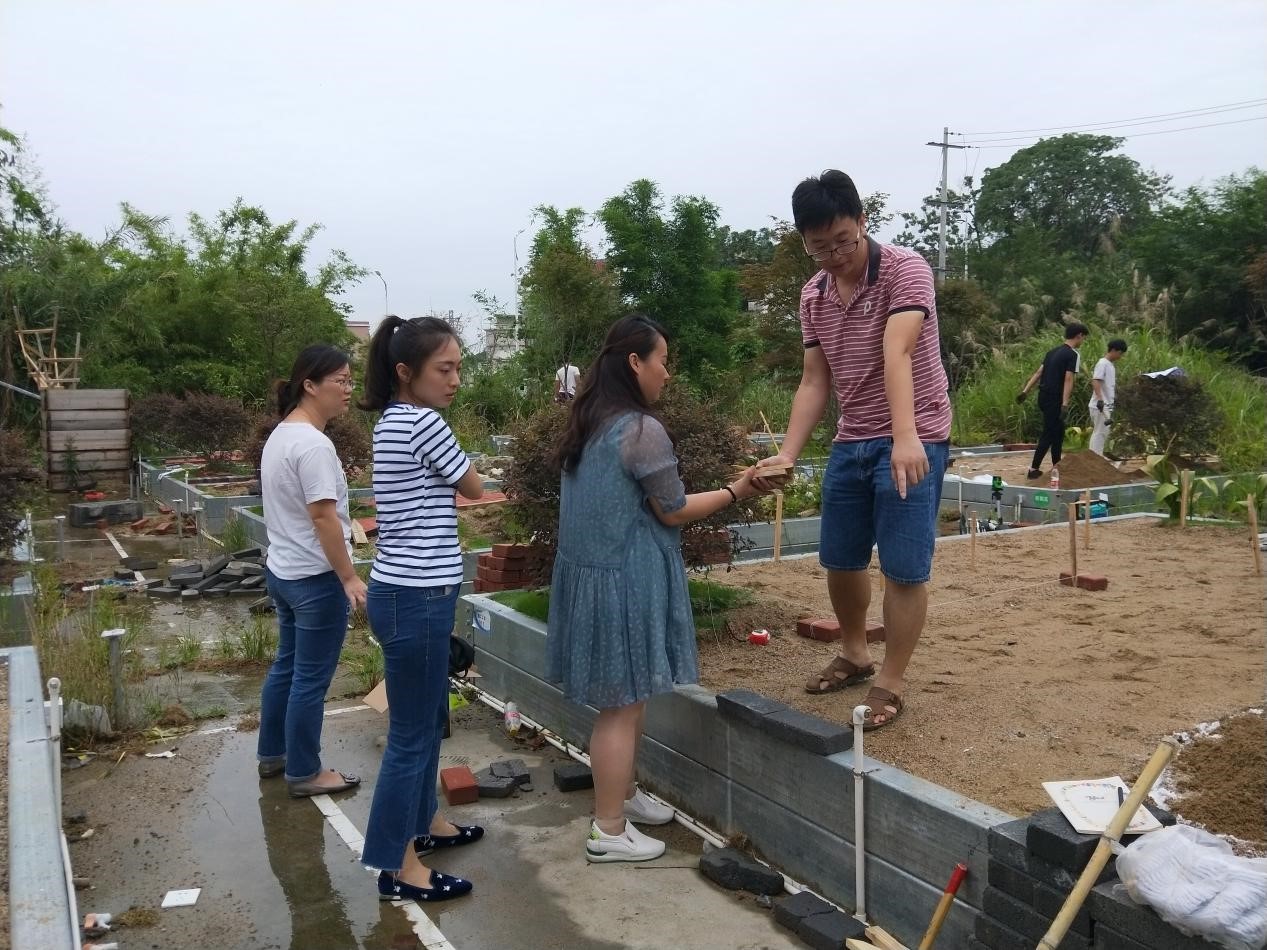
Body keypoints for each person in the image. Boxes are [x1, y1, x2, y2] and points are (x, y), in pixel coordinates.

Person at [546, 315, 766, 862]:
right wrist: (738, 490)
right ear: (634, 362)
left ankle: (623, 795)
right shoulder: (640, 430)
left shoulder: (588, 422)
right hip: (624, 581)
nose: (667, 373)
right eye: (662, 361)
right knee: (621, 707)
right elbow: (672, 510)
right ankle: (608, 830)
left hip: (593, 577)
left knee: (631, 695)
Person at [754, 169, 951, 731]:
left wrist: (907, 438)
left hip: (915, 432)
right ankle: (855, 652)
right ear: (804, 241)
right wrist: (787, 453)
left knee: (904, 568)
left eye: (843, 241)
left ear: (863, 222)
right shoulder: (813, 295)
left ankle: (891, 679)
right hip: (852, 439)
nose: (834, 256)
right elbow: (814, 380)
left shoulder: (905, 270)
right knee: (840, 560)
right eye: (820, 247)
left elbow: (898, 353)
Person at [358, 315, 486, 904]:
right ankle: (398, 867)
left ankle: (426, 824)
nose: (455, 379)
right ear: (407, 371)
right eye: (445, 369)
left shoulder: (390, 421)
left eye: (459, 367)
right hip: (419, 596)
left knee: (428, 719)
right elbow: (474, 486)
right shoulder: (425, 422)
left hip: (402, 591)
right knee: (411, 736)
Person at [256, 345, 367, 797]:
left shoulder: (282, 435)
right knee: (310, 679)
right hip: (314, 579)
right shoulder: (313, 445)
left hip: (283, 571)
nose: (348, 389)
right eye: (340, 381)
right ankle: (305, 772)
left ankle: (273, 754)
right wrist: (348, 577)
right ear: (310, 385)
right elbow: (323, 517)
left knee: (287, 666)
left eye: (350, 380)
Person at [1018, 322, 1089, 479]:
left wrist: (1025, 391)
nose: (1083, 341)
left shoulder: (1052, 352)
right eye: (1083, 338)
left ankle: (1057, 466)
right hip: (1055, 399)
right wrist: (1065, 404)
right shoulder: (1073, 355)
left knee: (1058, 432)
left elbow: (1038, 373)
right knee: (1049, 433)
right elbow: (1068, 379)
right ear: (1079, 336)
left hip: (1043, 396)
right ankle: (1033, 469)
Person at [1088, 339, 1127, 456]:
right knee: (1100, 432)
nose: (1120, 357)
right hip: (1100, 405)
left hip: (1106, 405)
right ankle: (1095, 457)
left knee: (1102, 432)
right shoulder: (1102, 363)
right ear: (1113, 350)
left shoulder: (1110, 365)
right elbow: (1095, 380)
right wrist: (1100, 399)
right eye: (1120, 353)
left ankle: (1094, 457)